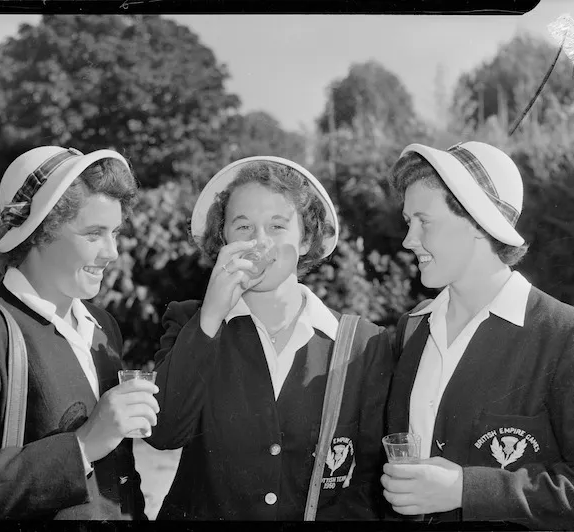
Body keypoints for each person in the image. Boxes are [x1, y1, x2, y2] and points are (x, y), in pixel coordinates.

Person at [147, 156, 393, 520]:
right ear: (223, 239)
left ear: (306, 238)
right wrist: (211, 315)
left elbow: (367, 485)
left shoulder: (363, 345)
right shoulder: (189, 323)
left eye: (277, 226)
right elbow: (163, 431)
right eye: (243, 227)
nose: (260, 242)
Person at [0, 146, 160, 520]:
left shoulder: (103, 328)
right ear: (40, 231)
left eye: (115, 232)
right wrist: (81, 446)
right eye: (94, 233)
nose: (113, 251)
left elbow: (120, 484)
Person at [381, 141, 574, 530]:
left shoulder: (573, 337)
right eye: (407, 222)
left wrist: (467, 489)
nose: (408, 239)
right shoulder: (412, 329)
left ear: (478, 223)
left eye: (424, 221)